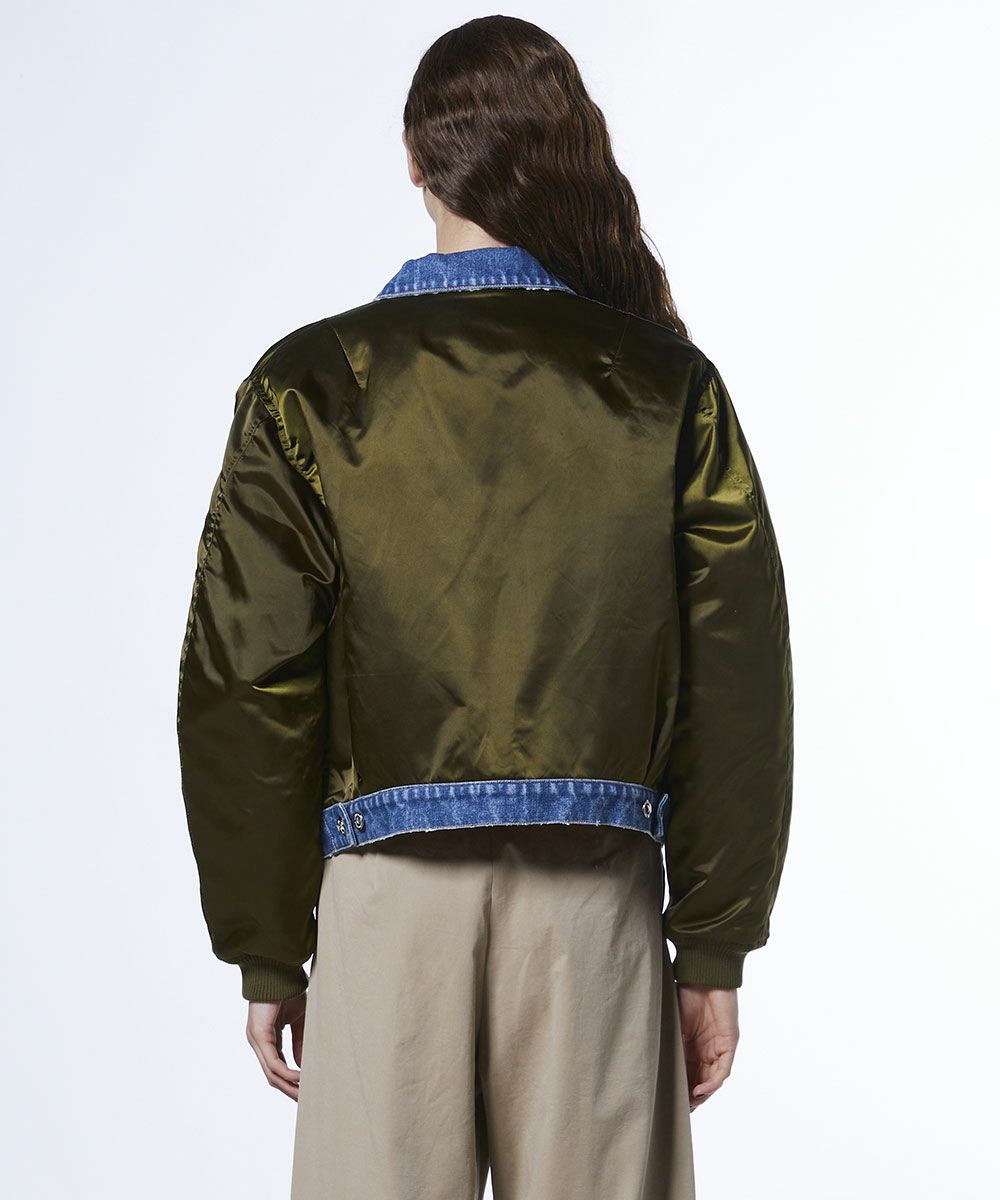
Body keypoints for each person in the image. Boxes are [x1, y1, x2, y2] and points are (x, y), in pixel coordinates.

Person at [175, 15, 794, 1200]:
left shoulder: (310, 384)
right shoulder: (663, 384)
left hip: (384, 901)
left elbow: (249, 680)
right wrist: (712, 944)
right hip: (595, 902)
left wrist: (268, 945)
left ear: (415, 162)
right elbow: (737, 680)